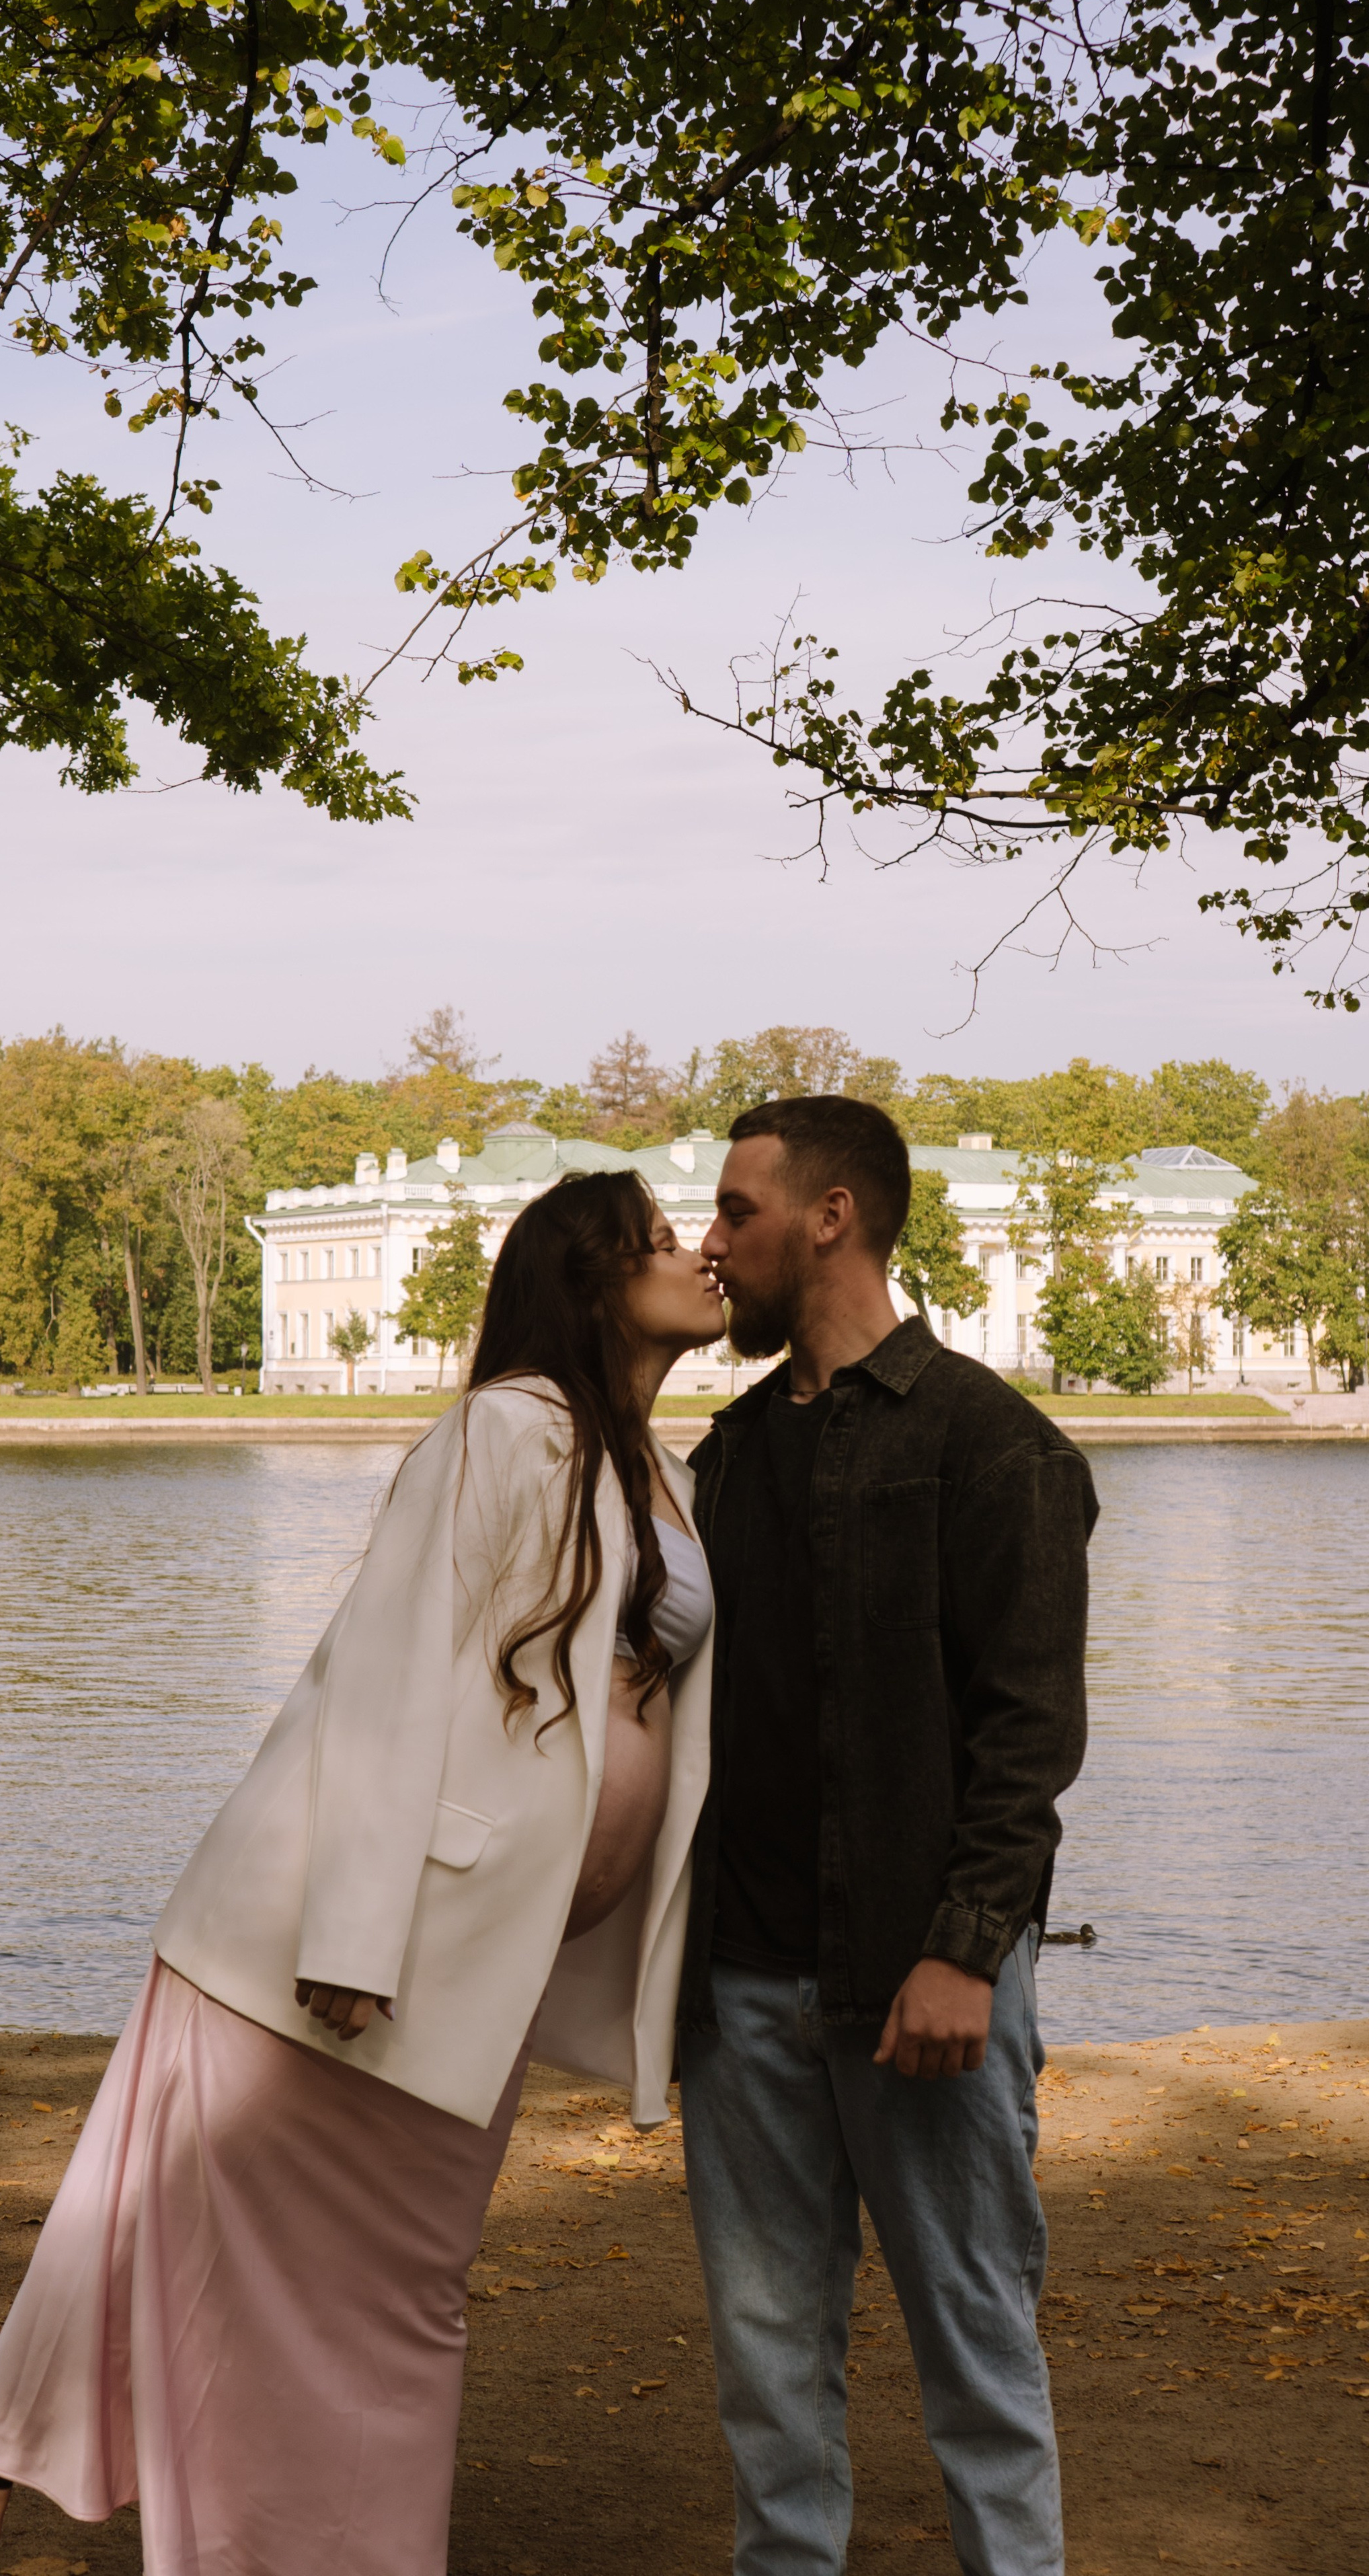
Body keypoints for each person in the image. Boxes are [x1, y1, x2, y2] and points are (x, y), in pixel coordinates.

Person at [0, 1169, 722, 2576]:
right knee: (292, 2273)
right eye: (658, 1241)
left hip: (488, 1961)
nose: (696, 1253)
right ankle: (11, 2487)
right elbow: (390, 1675)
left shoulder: (666, 1469)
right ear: (591, 1281)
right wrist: (353, 1933)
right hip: (353, 1950)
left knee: (280, 2260)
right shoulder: (506, 1429)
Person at [679, 1095, 1096, 2576]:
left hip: (920, 1991)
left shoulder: (991, 1444)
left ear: (831, 1216)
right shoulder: (725, 1458)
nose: (710, 1242)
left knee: (977, 2355)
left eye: (736, 1210)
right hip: (739, 1996)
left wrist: (965, 1954)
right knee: (767, 2375)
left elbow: (1027, 1735)